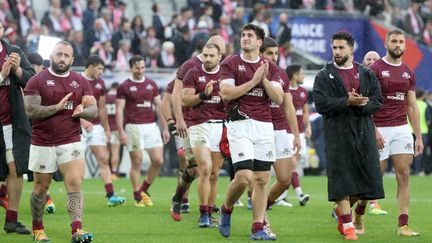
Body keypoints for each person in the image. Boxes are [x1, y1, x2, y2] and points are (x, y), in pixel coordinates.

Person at [313, 32, 384, 240]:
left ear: (351, 49)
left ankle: (340, 212)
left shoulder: (366, 73)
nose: (337, 52)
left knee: (365, 182)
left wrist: (362, 104)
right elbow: (321, 104)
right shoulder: (324, 75)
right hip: (337, 133)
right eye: (334, 48)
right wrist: (346, 101)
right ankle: (348, 227)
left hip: (363, 132)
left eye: (341, 48)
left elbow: (378, 100)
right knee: (342, 181)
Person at [24, 40, 97, 242]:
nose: (62, 58)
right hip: (42, 141)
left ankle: (77, 230)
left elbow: (94, 110)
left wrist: (84, 111)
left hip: (70, 139)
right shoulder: (37, 81)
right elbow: (30, 110)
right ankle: (38, 229)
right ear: (51, 56)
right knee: (41, 188)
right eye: (59, 54)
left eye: (66, 55)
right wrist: (56, 108)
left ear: (72, 59)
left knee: (74, 183)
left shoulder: (81, 81)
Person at [218, 24, 283, 241]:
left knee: (262, 179)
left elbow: (278, 98)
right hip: (240, 123)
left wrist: (262, 79)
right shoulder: (230, 63)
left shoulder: (270, 67)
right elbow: (226, 93)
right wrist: (253, 81)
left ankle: (257, 227)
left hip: (264, 125)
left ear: (259, 42)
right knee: (244, 177)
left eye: (250, 36)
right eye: (243, 34)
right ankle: (226, 208)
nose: (245, 38)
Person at [371, 29, 423, 237]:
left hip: (401, 128)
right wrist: (373, 130)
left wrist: (417, 135)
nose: (398, 45)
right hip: (380, 127)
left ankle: (403, 225)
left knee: (404, 174)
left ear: (405, 45)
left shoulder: (408, 72)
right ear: (386, 43)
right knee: (375, 179)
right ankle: (358, 214)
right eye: (394, 41)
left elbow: (412, 106)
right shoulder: (375, 69)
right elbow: (368, 103)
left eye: (401, 41)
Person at [169, 35, 226, 222]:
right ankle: (180, 199)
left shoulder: (225, 71)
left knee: (208, 171)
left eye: (216, 54)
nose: (209, 58)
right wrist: (178, 119)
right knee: (198, 168)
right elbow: (176, 95)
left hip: (218, 125)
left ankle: (205, 209)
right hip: (191, 121)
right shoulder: (189, 68)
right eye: (207, 54)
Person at [116, 55, 170, 207]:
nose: (140, 70)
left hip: (151, 126)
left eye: (142, 67)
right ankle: (137, 196)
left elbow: (159, 107)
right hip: (133, 126)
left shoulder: (151, 84)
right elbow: (119, 110)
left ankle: (144, 189)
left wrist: (165, 127)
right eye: (137, 67)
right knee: (137, 161)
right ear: (131, 68)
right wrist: (121, 131)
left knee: (158, 160)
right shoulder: (124, 87)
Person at [0, 21, 35, 235]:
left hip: (12, 122)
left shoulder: (14, 51)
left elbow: (32, 79)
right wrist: (2, 74)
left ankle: (11, 220)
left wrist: (19, 70)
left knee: (16, 169)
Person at [80, 55, 126, 207]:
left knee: (103, 159)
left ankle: (111, 195)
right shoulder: (77, 79)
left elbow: (101, 108)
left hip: (96, 126)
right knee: (77, 163)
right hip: (77, 126)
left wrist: (106, 129)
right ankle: (73, 196)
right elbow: (70, 104)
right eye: (99, 68)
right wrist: (82, 120)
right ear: (91, 66)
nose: (101, 72)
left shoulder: (100, 83)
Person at [350, 51, 388, 218]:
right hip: (364, 129)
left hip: (388, 127)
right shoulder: (359, 79)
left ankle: (366, 204)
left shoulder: (384, 80)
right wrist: (375, 130)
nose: (372, 62)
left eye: (375, 60)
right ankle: (348, 206)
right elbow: (363, 108)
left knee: (378, 171)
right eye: (368, 59)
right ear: (363, 62)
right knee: (368, 171)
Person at [27, 52, 60, 215]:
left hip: (51, 130)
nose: (31, 70)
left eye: (34, 67)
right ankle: (45, 199)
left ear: (42, 67)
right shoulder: (26, 81)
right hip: (30, 130)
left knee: (51, 169)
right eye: (29, 67)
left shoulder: (50, 82)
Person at [105, 82, 121, 179]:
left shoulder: (105, 96)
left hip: (105, 128)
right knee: (115, 151)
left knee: (106, 151)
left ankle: (105, 171)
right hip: (116, 127)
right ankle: (114, 172)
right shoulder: (119, 97)